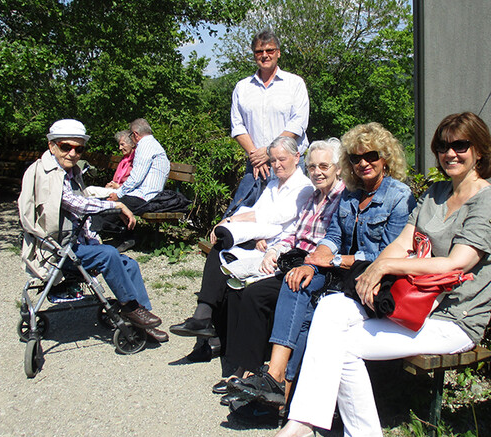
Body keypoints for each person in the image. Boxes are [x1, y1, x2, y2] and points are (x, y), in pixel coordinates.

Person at [243, 112, 491, 437]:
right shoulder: (436, 193)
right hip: (414, 304)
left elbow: (457, 263)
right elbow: (404, 242)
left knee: (342, 343)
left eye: (460, 145)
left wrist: (384, 266)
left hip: (453, 318)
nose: (450, 153)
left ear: (479, 151)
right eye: (442, 146)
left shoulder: (484, 201)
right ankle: (301, 425)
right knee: (330, 308)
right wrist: (374, 268)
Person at [226, 122, 417, 409]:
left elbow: (388, 254)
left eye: (371, 156)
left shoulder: (399, 196)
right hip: (338, 272)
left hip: (371, 279)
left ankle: (285, 395)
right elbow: (334, 236)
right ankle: (275, 377)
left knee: (310, 314)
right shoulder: (351, 195)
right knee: (296, 280)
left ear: (385, 157)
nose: (363, 163)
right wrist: (314, 261)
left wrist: (334, 259)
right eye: (355, 158)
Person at [18, 119, 168, 343]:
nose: (72, 153)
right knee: (108, 254)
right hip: (57, 251)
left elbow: (80, 204)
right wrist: (116, 205)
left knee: (129, 263)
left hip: (75, 245)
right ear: (52, 146)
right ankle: (130, 307)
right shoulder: (49, 173)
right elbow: (73, 203)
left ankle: (140, 316)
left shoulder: (68, 171)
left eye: (79, 148)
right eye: (66, 147)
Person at [169, 137, 314, 348]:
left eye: (281, 159)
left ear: (296, 157)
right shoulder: (274, 184)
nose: (276, 165)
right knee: (221, 252)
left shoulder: (304, 187)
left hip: (280, 247)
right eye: (272, 160)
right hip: (261, 239)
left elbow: (277, 215)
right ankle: (205, 323)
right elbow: (259, 211)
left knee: (223, 253)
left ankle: (206, 323)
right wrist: (253, 232)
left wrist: (233, 219)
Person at [226, 28, 310, 216]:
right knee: (248, 215)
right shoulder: (242, 87)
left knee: (291, 217)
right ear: (254, 55)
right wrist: (256, 155)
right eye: (259, 51)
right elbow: (237, 125)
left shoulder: (294, 83)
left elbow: (298, 123)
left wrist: (269, 151)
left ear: (278, 53)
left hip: (290, 163)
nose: (264, 55)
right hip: (256, 164)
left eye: (270, 50)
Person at [100, 118, 171, 251]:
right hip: (148, 195)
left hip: (146, 198)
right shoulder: (154, 145)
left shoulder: (145, 146)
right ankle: (127, 236)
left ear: (135, 134)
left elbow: (136, 178)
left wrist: (118, 194)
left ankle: (126, 237)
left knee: (106, 206)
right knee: (109, 203)